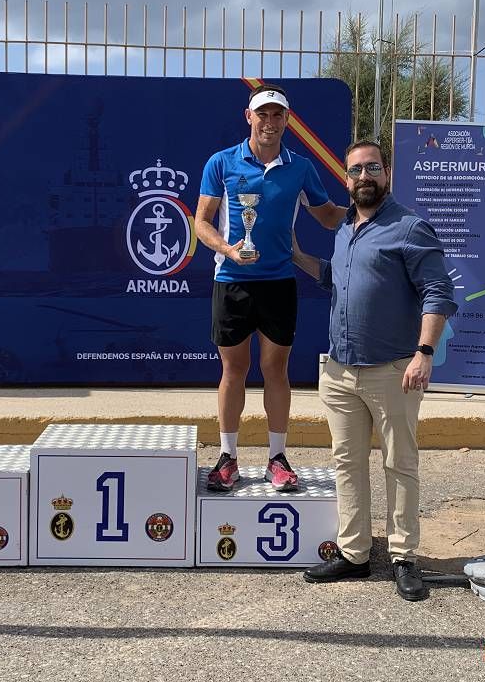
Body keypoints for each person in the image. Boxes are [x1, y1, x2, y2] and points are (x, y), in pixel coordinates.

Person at [292, 139, 456, 601]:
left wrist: (424, 352)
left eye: (372, 168)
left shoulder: (410, 227)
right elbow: (336, 279)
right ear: (345, 179)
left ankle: (404, 556)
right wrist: (298, 256)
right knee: (347, 463)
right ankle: (355, 553)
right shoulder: (346, 229)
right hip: (340, 371)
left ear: (387, 174)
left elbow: (437, 292)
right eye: (355, 171)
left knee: (399, 463)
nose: (364, 177)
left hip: (393, 370)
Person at [195, 84, 345, 493]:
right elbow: (201, 222)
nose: (270, 122)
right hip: (231, 282)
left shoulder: (301, 167)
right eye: (263, 114)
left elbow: (329, 217)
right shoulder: (221, 163)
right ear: (249, 117)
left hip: (279, 282)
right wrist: (228, 249)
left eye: (277, 115)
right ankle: (228, 457)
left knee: (276, 369)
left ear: (287, 121)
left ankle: (276, 459)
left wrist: (372, 206)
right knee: (234, 369)